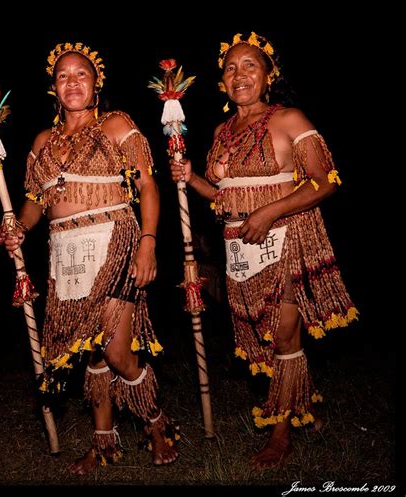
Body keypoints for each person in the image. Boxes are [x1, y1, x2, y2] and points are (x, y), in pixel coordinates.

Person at [170, 32, 358, 468]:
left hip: (289, 238)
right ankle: (302, 406)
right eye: (231, 67)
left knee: (282, 335)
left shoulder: (290, 118)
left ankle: (279, 435)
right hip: (239, 250)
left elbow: (324, 180)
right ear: (222, 81)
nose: (240, 74)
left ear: (269, 74)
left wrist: (271, 212)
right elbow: (223, 197)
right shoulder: (220, 131)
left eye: (250, 65)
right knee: (261, 334)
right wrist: (191, 176)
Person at [1, 41, 179, 473]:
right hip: (65, 253)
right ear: (54, 88)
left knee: (117, 352)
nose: (72, 82)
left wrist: (149, 242)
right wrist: (18, 227)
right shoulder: (43, 141)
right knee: (90, 353)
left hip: (116, 242)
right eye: (63, 76)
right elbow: (34, 204)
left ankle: (157, 424)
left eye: (81, 73)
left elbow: (148, 188)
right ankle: (104, 443)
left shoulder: (118, 125)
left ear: (96, 83)